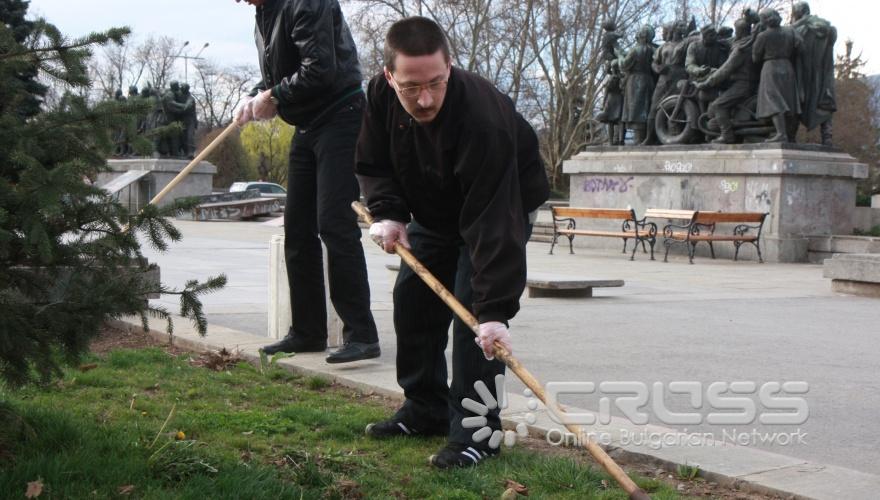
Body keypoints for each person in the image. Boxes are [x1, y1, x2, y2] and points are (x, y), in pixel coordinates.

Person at [355, 17, 549, 468]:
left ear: (450, 67)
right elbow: (373, 159)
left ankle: (478, 434)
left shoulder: (484, 119)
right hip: (435, 209)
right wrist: (387, 212)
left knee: (473, 319)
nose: (424, 99)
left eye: (435, 84)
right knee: (412, 300)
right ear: (389, 77)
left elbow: (493, 222)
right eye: (410, 87)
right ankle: (424, 408)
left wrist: (495, 311)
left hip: (499, 206)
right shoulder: (380, 95)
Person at [234, 0, 381, 364]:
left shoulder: (306, 2)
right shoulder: (264, 14)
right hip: (307, 123)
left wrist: (276, 96)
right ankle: (307, 331)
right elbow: (281, 71)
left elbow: (320, 69)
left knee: (334, 223)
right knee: (298, 228)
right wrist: (256, 95)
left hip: (341, 115)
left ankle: (361, 334)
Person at [695, 18, 759, 144]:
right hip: (748, 83)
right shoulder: (751, 43)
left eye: (736, 31)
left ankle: (727, 135)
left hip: (742, 84)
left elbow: (725, 70)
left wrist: (706, 84)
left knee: (718, 105)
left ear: (739, 31)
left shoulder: (741, 49)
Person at [791, 1, 836, 146]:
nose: (793, 15)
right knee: (824, 102)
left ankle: (790, 135)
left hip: (803, 73)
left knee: (798, 101)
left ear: (801, 11)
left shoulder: (798, 28)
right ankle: (827, 137)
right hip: (822, 73)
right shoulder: (827, 27)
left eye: (795, 12)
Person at [753, 8, 802, 143]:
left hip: (771, 68)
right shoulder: (790, 31)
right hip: (788, 67)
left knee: (773, 100)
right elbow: (800, 46)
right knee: (789, 100)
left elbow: (755, 57)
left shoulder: (763, 36)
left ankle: (781, 133)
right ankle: (790, 135)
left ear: (764, 21)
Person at [619, 25, 656, 144]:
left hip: (635, 81)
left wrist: (620, 57)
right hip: (649, 80)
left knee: (636, 110)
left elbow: (624, 65)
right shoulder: (653, 50)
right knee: (645, 108)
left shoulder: (635, 50)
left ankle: (638, 139)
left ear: (642, 35)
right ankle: (643, 137)